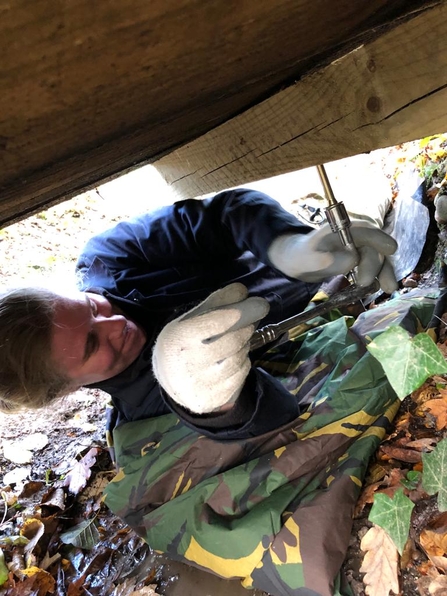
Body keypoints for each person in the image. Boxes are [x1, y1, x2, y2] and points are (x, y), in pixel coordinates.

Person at [0, 188, 397, 436]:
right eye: (92, 344)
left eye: (89, 306)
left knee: (378, 216)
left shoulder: (111, 256)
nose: (116, 322)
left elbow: (222, 215)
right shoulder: (148, 407)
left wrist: (287, 247)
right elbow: (275, 421)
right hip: (323, 312)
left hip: (310, 239)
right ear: (69, 388)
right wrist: (217, 408)